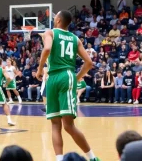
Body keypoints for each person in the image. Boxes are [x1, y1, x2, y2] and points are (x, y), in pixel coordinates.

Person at [36, 10, 100, 161]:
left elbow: (46, 49)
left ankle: (59, 159)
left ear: (58, 20)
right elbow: (89, 63)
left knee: (55, 124)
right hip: (67, 76)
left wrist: (39, 69)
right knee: (69, 126)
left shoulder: (50, 33)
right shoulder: (75, 38)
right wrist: (76, 78)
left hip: (52, 78)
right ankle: (92, 158)